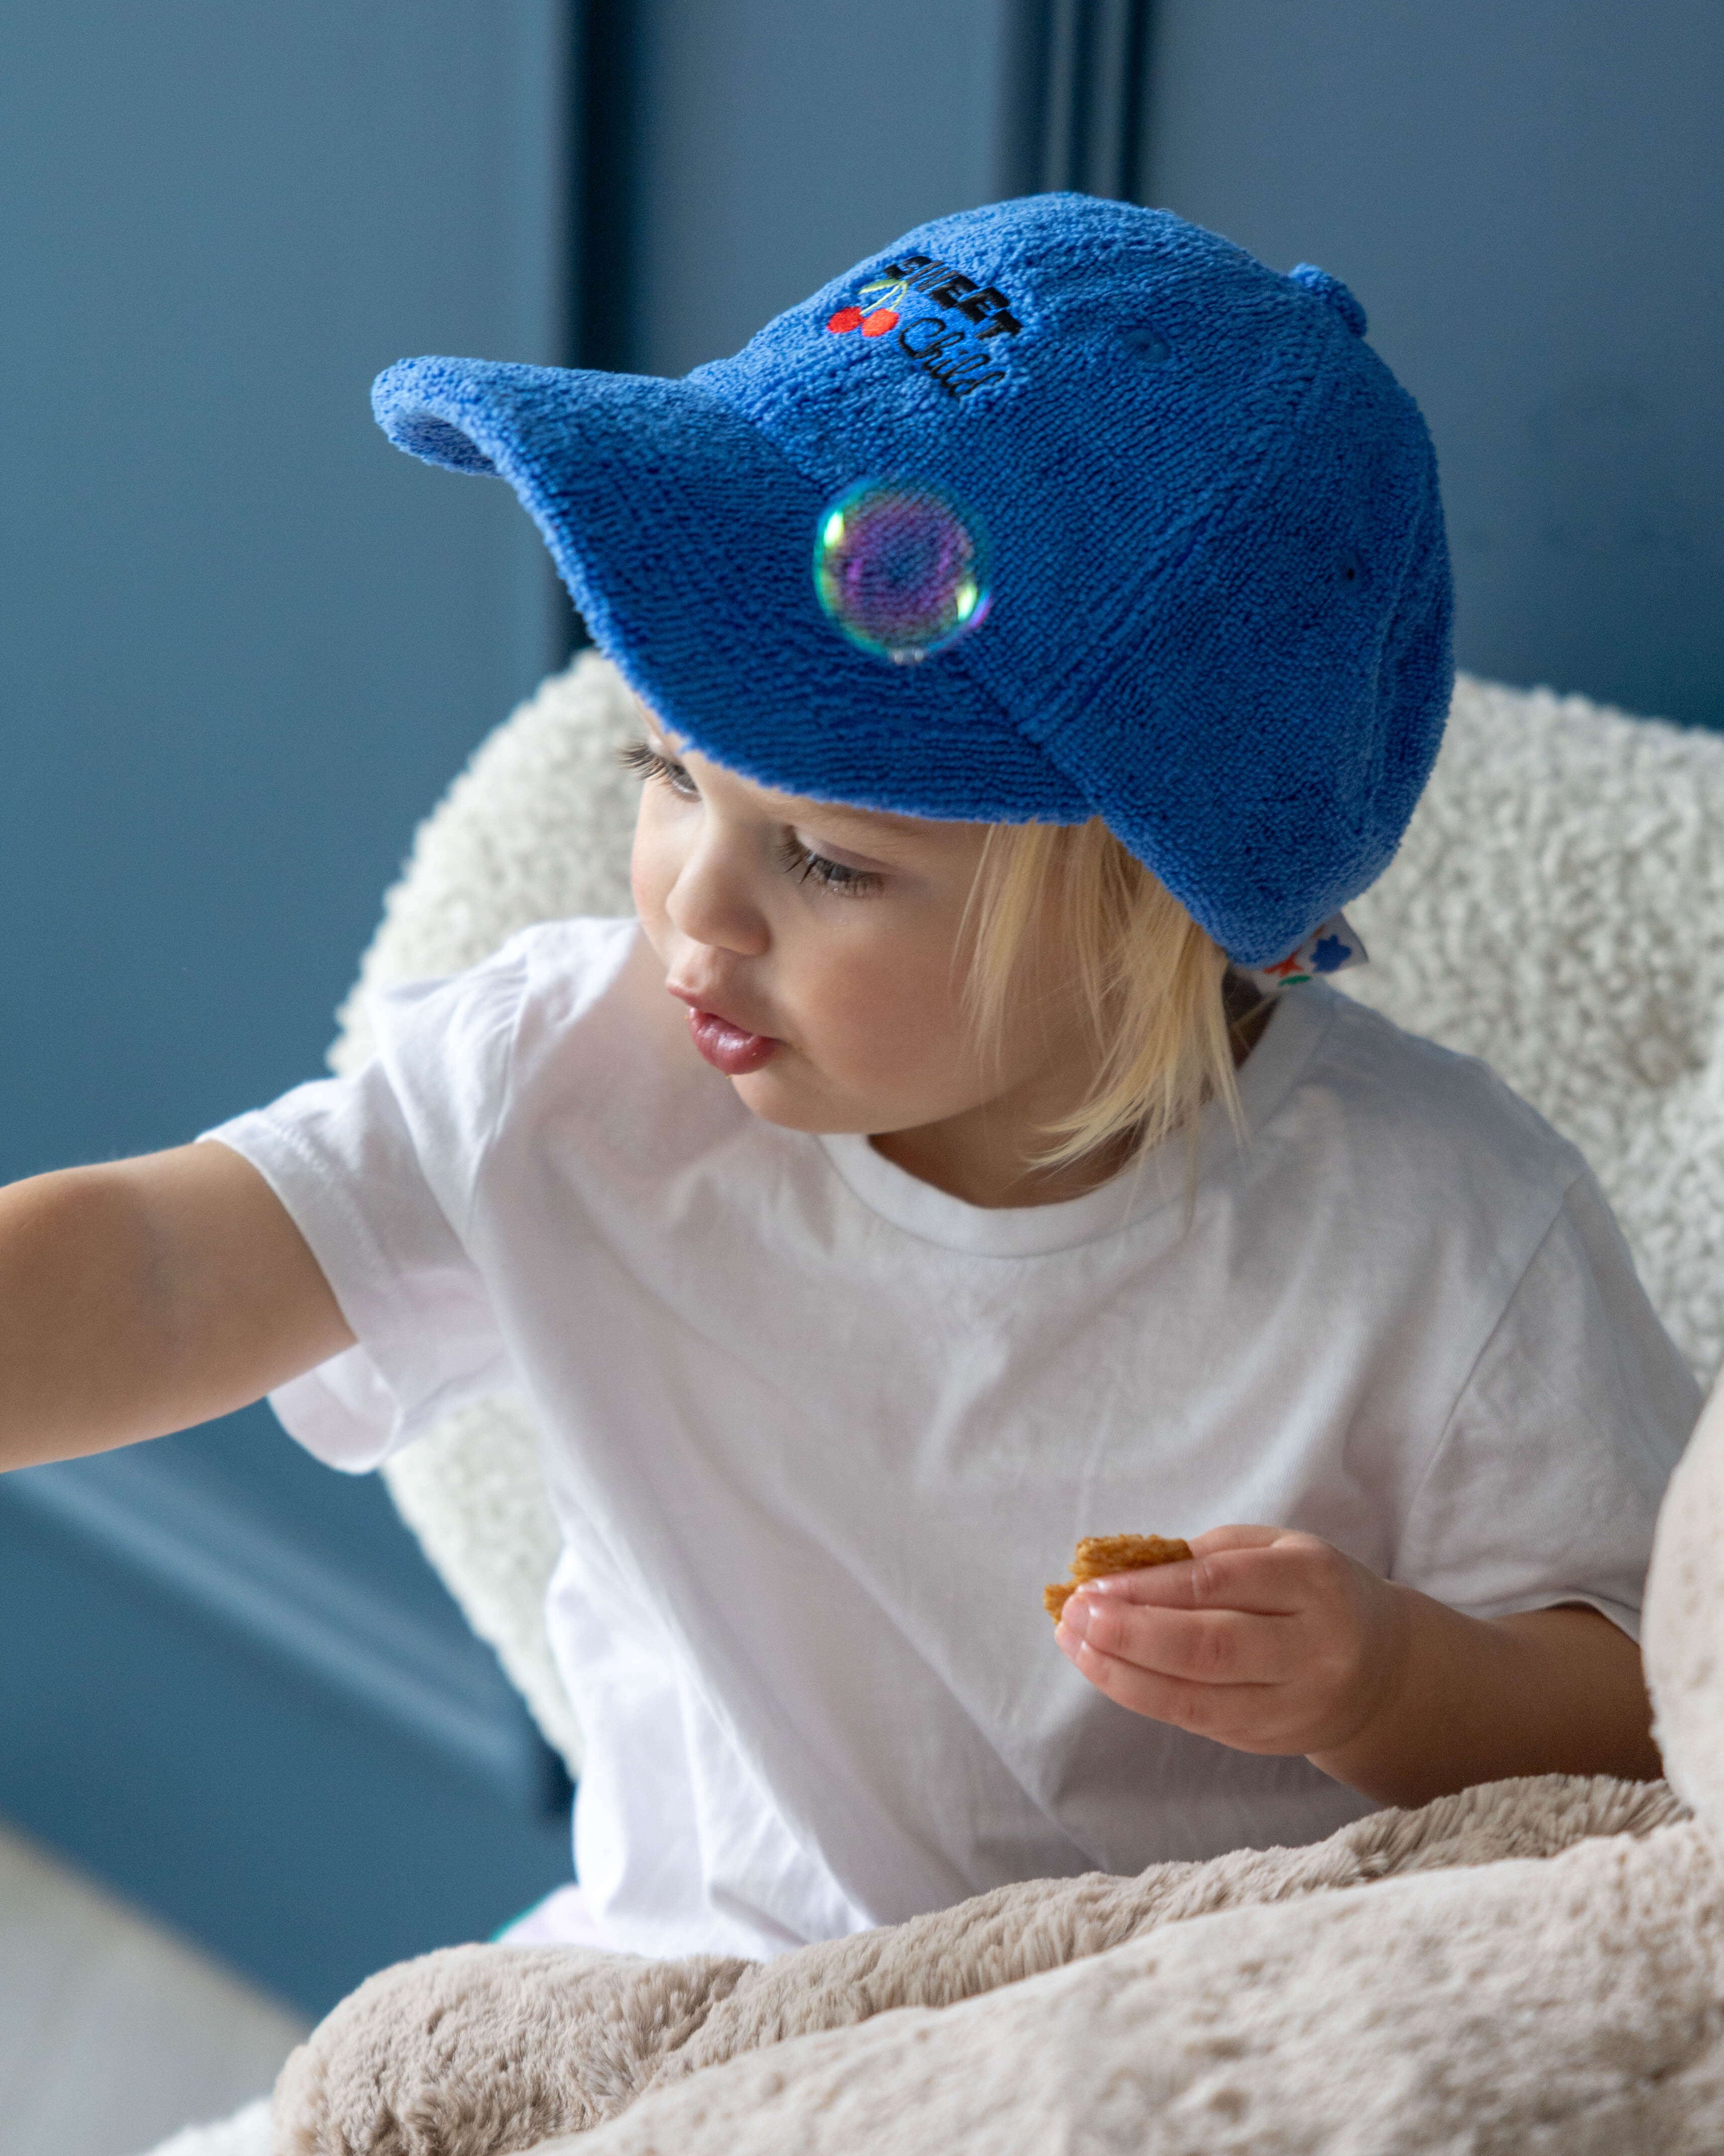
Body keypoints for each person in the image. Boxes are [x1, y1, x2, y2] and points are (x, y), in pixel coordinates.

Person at [0, 196, 1700, 1965]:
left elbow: (1659, 1709)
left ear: (1164, 914)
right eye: (668, 771)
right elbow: (162, 1262)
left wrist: (1393, 1678)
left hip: (1136, 2028)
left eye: (827, 858)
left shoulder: (1442, 1237)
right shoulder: (568, 1077)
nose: (692, 906)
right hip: (667, 1986)